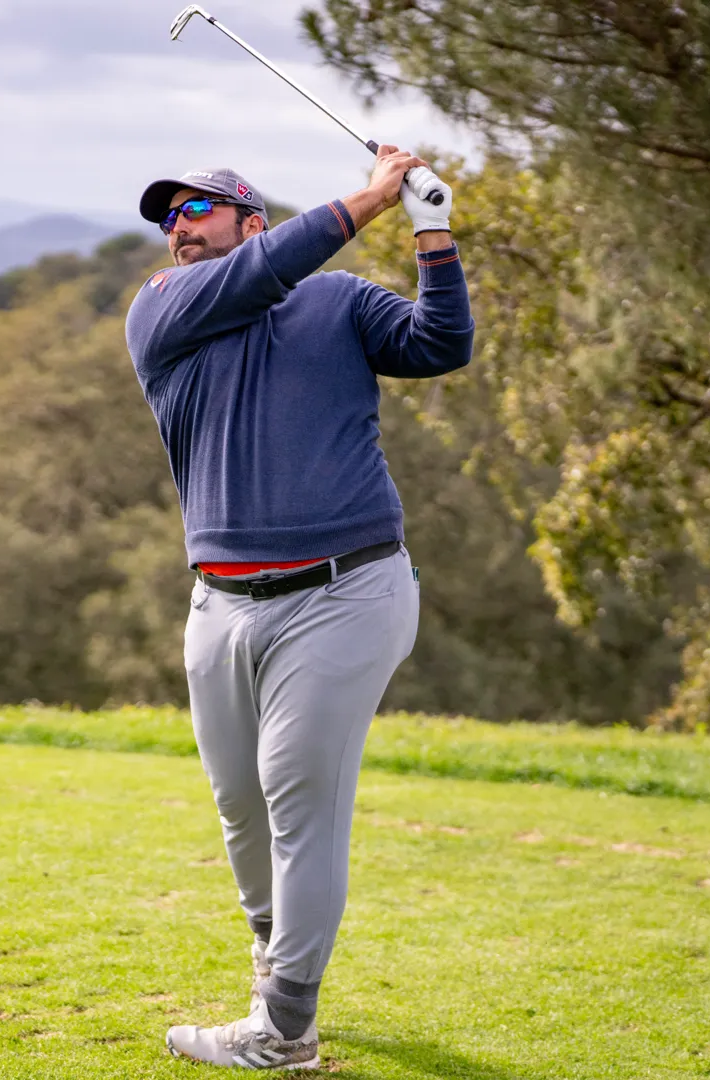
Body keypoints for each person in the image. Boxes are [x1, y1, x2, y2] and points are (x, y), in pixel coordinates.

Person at [123, 148, 474, 1070]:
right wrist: (368, 199)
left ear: (253, 222)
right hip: (220, 606)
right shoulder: (163, 311)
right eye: (170, 217)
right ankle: (277, 963)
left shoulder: (341, 302)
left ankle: (284, 1028)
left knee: (294, 801)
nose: (180, 226)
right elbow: (268, 273)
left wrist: (430, 228)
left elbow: (441, 345)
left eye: (200, 209)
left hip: (347, 590)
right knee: (239, 808)